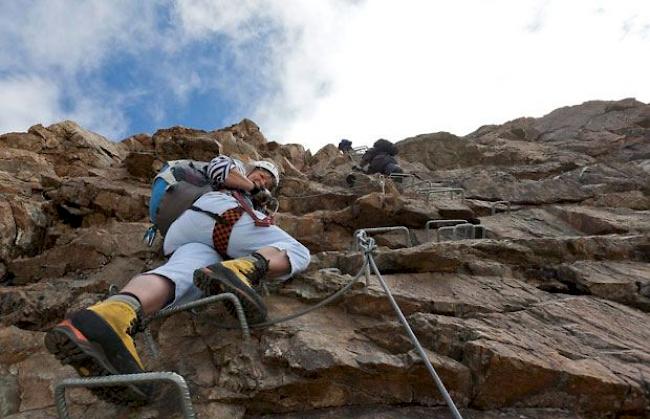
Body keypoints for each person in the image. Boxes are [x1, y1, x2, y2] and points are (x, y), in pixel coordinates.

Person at [44, 155, 311, 404]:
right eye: (262, 174)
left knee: (177, 277)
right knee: (297, 251)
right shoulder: (236, 169)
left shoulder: (245, 193)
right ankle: (241, 270)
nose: (263, 181)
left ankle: (111, 317)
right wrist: (253, 190)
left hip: (188, 236)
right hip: (220, 214)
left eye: (269, 182)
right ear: (251, 168)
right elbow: (219, 170)